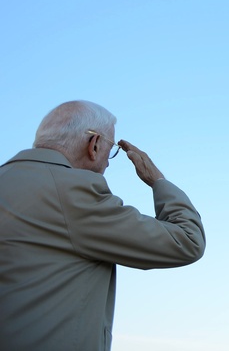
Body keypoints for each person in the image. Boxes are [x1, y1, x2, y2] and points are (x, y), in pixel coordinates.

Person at [0, 100, 206, 351]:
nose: (108, 163)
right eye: (111, 150)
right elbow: (187, 240)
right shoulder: (72, 192)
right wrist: (157, 181)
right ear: (94, 144)